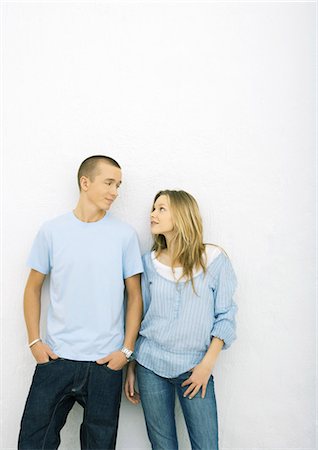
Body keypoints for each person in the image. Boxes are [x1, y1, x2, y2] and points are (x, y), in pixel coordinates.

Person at [18, 155, 143, 450]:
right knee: (33, 443)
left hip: (104, 363)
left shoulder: (124, 235)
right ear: (85, 183)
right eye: (109, 183)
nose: (115, 192)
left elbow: (135, 296)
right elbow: (33, 288)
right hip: (56, 358)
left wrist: (125, 351)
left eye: (119, 185)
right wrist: (35, 341)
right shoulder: (52, 231)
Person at [125, 190, 237, 450]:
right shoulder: (148, 263)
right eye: (153, 209)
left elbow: (226, 316)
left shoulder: (214, 260)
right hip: (150, 366)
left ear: (182, 214)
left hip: (195, 368)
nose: (152, 214)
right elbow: (139, 316)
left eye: (161, 209)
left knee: (206, 445)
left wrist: (206, 366)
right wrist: (131, 366)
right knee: (162, 447)